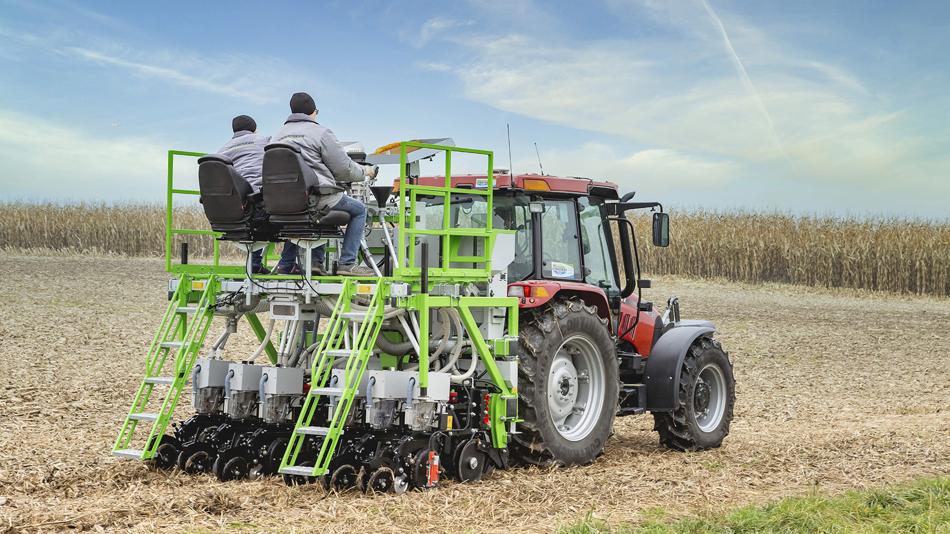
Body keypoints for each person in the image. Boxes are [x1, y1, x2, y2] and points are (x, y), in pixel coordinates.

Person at [271, 92, 378, 276]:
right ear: (313, 112)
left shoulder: (277, 136)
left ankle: (307, 263)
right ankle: (347, 263)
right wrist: (365, 172)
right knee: (360, 209)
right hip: (315, 199)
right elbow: (344, 168)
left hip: (283, 202)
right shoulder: (321, 133)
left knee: (301, 211)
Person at [217, 115, 298, 274]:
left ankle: (254, 264)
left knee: (254, 216)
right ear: (254, 129)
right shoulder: (265, 141)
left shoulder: (222, 151)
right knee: (296, 215)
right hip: (260, 206)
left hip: (234, 211)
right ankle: (286, 264)